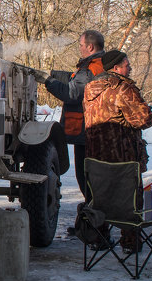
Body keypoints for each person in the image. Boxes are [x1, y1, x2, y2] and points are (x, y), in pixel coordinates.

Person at [82, 49, 152, 251]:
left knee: (100, 195)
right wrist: (149, 111)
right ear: (116, 68)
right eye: (126, 64)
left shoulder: (90, 89)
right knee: (129, 200)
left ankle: (100, 238)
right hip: (122, 156)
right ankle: (130, 242)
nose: (129, 67)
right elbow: (143, 119)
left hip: (95, 157)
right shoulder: (123, 89)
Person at [42, 29, 106, 206]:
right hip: (92, 130)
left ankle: (93, 222)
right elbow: (74, 79)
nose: (80, 48)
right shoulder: (99, 64)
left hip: (86, 131)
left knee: (87, 178)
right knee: (91, 178)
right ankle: (92, 218)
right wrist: (53, 73)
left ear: (90, 46)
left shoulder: (91, 68)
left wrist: (48, 81)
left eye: (81, 45)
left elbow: (71, 93)